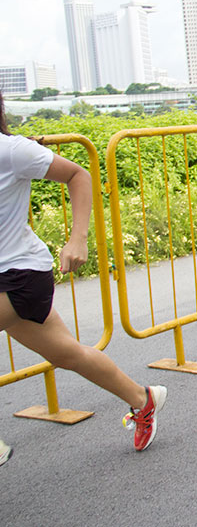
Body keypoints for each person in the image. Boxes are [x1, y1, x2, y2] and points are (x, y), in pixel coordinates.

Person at [0, 91, 166, 454]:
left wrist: (77, 240)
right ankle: (143, 398)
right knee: (67, 354)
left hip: (20, 275)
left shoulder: (10, 151)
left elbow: (78, 174)